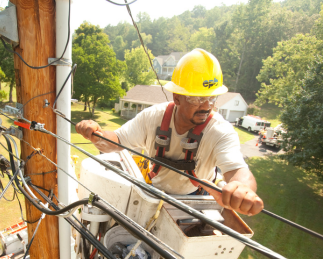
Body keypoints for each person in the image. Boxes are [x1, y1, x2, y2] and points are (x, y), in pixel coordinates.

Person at [76, 49, 263, 216]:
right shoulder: (153, 117)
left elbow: (237, 170)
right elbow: (116, 141)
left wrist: (243, 189)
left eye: (212, 98)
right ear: (177, 98)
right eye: (198, 98)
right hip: (153, 193)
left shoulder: (220, 131)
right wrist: (97, 133)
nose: (206, 106)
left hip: (195, 202)